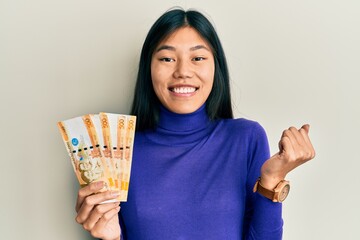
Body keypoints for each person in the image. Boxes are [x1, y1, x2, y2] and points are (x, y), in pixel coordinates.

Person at [74, 8, 315, 240]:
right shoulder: (115, 151)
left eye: (198, 58)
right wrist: (112, 237)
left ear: (215, 67)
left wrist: (272, 181)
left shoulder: (246, 138)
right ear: (149, 68)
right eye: (167, 58)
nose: (183, 71)